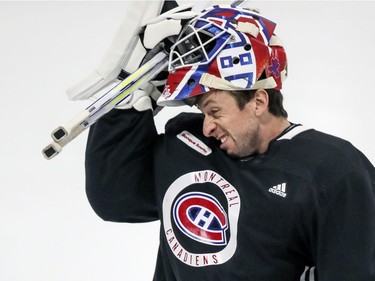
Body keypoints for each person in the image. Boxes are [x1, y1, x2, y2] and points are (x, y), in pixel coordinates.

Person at [84, 4, 375, 281]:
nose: (207, 126)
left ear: (258, 101)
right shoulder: (188, 145)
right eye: (202, 112)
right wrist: (124, 110)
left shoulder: (333, 171)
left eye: (215, 110)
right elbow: (115, 200)